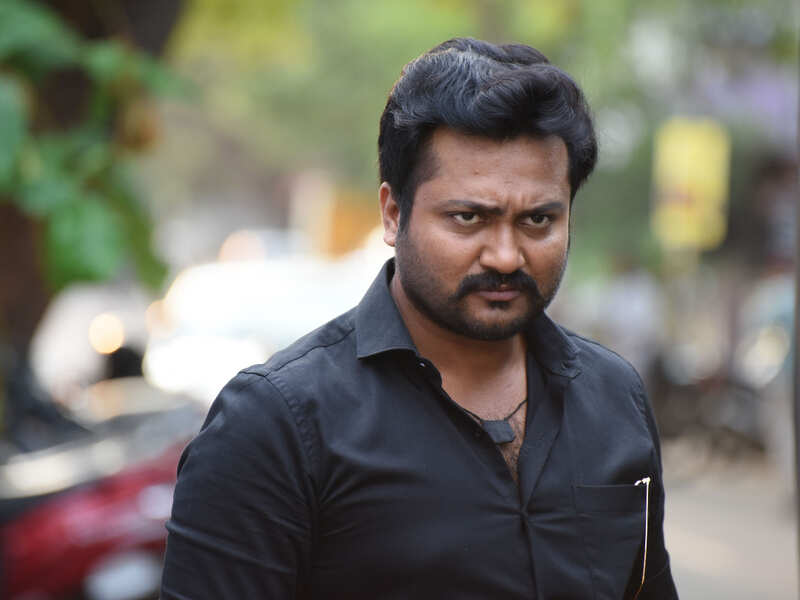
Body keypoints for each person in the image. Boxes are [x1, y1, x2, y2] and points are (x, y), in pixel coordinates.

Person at [160, 37, 678, 599]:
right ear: (392, 213)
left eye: (537, 221)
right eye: (468, 218)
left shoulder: (615, 397)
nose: (506, 256)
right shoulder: (274, 425)